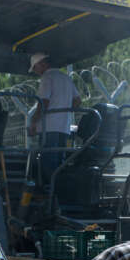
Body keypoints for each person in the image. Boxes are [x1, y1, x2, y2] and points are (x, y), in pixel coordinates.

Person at [28, 52, 81, 185]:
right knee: (60, 162)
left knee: (47, 162)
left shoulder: (47, 77)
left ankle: (50, 194)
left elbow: (43, 102)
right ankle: (61, 191)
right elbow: (77, 101)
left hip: (49, 128)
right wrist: (64, 112)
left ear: (42, 64)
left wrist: (33, 122)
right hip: (64, 128)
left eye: (35, 68)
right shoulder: (66, 77)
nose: (35, 71)